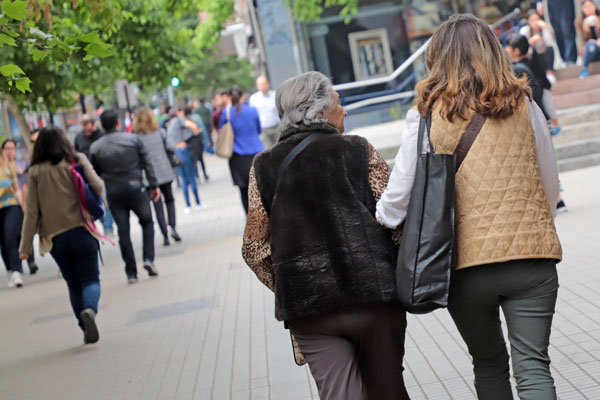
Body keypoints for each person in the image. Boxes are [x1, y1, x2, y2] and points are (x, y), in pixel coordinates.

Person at [377, 15, 562, 399]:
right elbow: (549, 181)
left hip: (464, 267)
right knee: (534, 368)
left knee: (489, 363)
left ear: (437, 58)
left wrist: (382, 218)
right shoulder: (525, 105)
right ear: (493, 52)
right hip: (532, 260)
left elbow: (397, 202)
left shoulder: (425, 117)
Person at [242, 71, 409, 400]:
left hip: (311, 313)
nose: (343, 109)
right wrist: (396, 268)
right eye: (337, 101)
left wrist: (291, 283)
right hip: (374, 302)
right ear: (318, 111)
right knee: (387, 390)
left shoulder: (263, 167)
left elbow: (253, 249)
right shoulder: (360, 151)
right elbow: (397, 218)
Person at [19, 126, 104, 344]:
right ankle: (90, 311)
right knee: (91, 279)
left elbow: (32, 211)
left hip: (55, 238)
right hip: (82, 229)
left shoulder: (35, 171)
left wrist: (25, 247)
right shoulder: (76, 160)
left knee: (73, 284)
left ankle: (83, 326)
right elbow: (99, 186)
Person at [90, 109, 161, 284]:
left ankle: (131, 272)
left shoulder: (96, 147)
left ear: (101, 125)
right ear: (118, 123)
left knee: (123, 231)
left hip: (114, 192)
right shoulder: (133, 140)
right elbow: (147, 163)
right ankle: (148, 259)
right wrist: (153, 185)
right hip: (136, 187)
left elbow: (95, 173)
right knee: (147, 223)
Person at [133, 107, 182, 247]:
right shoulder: (160, 133)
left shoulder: (136, 138)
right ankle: (173, 227)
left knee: (156, 203)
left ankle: (164, 234)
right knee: (170, 200)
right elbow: (172, 147)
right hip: (165, 171)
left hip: (148, 176)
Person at [219, 87, 264, 214]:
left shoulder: (227, 114)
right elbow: (258, 129)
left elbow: (222, 132)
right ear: (243, 96)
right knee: (259, 189)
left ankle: (250, 219)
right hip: (256, 153)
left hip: (238, 156)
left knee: (244, 191)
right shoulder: (252, 110)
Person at [506, 34, 562, 136]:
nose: (506, 49)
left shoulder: (518, 69)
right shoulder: (527, 63)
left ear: (517, 51)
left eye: (509, 47)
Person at [74, 114, 115, 237]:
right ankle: (103, 223)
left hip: (101, 173)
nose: (85, 127)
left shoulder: (101, 135)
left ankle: (108, 228)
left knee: (105, 200)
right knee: (93, 202)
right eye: (83, 124)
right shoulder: (79, 137)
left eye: (87, 124)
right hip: (85, 175)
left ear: (92, 123)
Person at [2, 139, 38, 275]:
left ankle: (31, 261)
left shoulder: (22, 165)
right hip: (9, 205)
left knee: (25, 232)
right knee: (11, 234)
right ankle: (15, 265)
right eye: (7, 148)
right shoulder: (3, 166)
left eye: (12, 148)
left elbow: (25, 185)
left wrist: (25, 203)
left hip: (23, 203)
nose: (9, 151)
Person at [167, 107, 207, 213]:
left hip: (176, 152)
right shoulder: (179, 120)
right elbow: (193, 126)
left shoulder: (170, 126)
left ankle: (188, 206)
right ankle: (198, 203)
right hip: (184, 150)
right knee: (191, 178)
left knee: (184, 180)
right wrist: (196, 132)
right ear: (179, 113)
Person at [0, 143, 24, 288]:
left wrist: (23, 206)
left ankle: (16, 271)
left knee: (10, 237)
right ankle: (10, 269)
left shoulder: (8, 167)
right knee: (3, 242)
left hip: (11, 206)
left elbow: (16, 188)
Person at [520, 10, 557, 83]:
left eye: (537, 19)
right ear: (528, 22)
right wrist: (530, 42)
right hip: (532, 58)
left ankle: (549, 73)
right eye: (533, 20)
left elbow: (550, 43)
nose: (536, 22)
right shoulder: (525, 31)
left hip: (544, 56)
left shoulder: (544, 28)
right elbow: (522, 48)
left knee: (549, 49)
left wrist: (545, 29)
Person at [249, 75, 281, 149]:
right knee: (268, 150)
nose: (262, 87)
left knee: (280, 147)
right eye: (259, 84)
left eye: (263, 84)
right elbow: (253, 115)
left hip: (277, 127)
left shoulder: (275, 95)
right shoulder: (254, 98)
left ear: (268, 84)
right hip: (263, 129)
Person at [546, 0, 578, 64]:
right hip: (551, 3)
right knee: (557, 31)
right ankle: (564, 59)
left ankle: (570, 58)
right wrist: (539, 3)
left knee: (567, 30)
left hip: (565, 2)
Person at [576, 0, 600, 78]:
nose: (588, 8)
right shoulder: (579, 22)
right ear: (582, 9)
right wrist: (585, 29)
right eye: (585, 7)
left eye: (590, 6)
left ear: (595, 6)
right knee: (590, 44)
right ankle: (584, 69)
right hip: (590, 51)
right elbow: (583, 41)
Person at [187, 107, 210, 181]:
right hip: (199, 143)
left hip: (192, 144)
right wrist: (206, 140)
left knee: (195, 161)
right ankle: (204, 174)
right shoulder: (196, 118)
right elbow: (202, 129)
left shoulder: (186, 121)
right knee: (201, 159)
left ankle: (197, 176)